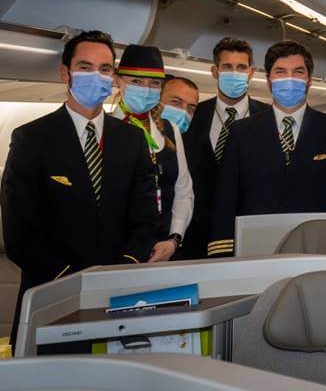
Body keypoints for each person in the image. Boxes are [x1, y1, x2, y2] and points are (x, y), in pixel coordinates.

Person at [1, 31, 158, 347]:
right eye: (85, 67)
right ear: (65, 73)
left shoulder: (132, 140)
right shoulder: (31, 139)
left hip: (117, 295)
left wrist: (122, 271)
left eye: (105, 69)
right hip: (51, 294)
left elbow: (145, 218)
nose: (96, 76)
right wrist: (73, 283)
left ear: (113, 77)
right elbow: (20, 232)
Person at [208, 40, 326, 257]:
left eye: (298, 72)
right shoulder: (241, 131)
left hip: (314, 246)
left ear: (309, 81)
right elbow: (226, 197)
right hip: (256, 246)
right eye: (280, 72)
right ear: (269, 81)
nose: (289, 78)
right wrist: (222, 252)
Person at [185, 38, 269, 258]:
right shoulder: (194, 115)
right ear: (215, 71)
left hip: (251, 230)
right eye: (227, 67)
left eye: (241, 67)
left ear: (251, 73)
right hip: (198, 232)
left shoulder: (268, 118)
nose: (235, 73)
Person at [109, 45, 193, 263]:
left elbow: (183, 190)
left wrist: (174, 239)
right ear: (118, 81)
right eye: (136, 81)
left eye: (154, 83)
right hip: (119, 251)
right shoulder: (106, 130)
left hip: (166, 248)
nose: (146, 89)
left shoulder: (170, 130)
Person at [159, 76, 205, 259]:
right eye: (176, 102)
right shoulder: (130, 135)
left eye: (191, 108)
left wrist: (174, 238)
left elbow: (184, 193)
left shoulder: (187, 146)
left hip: (171, 244)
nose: (183, 112)